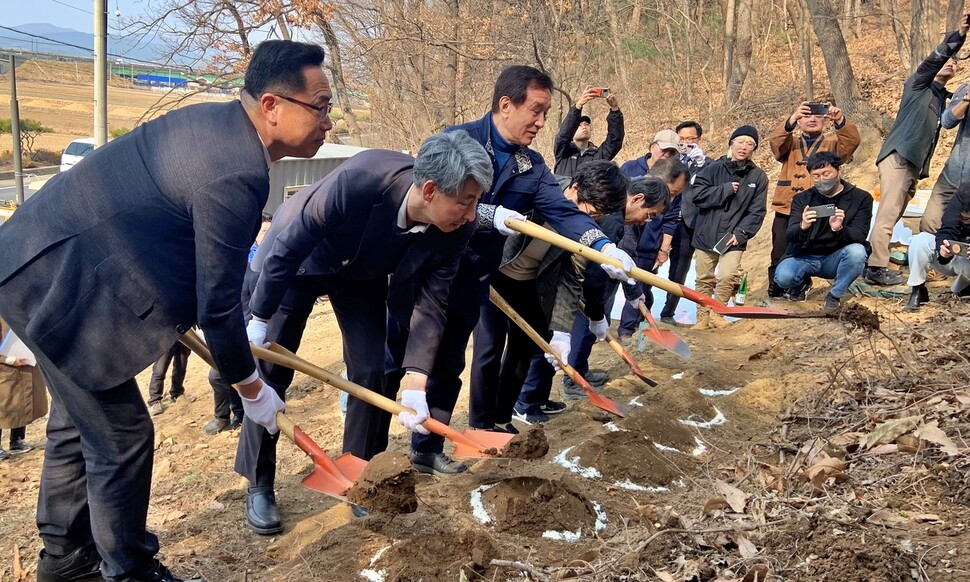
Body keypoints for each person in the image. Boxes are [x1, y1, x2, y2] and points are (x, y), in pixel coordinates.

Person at [0, 40, 330, 582]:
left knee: (73, 423)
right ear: (272, 105)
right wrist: (252, 389)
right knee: (122, 436)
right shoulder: (234, 169)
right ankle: (127, 570)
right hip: (57, 281)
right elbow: (219, 304)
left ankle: (64, 559)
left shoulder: (216, 127)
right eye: (319, 106)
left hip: (46, 265)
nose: (327, 121)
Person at [384, 65, 637, 477]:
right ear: (506, 104)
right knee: (397, 361)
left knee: (450, 362)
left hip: (475, 276)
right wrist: (485, 213)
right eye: (535, 111)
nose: (541, 122)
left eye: (546, 113)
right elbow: (423, 193)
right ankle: (373, 457)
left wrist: (605, 246)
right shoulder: (454, 140)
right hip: (427, 271)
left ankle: (427, 446)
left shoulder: (531, 165)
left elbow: (561, 211)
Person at [239, 131, 491, 534]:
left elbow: (433, 300)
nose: (471, 211)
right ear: (429, 189)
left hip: (360, 273)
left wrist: (416, 378)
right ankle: (259, 483)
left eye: (476, 200)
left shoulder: (460, 225)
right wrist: (258, 318)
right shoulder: (362, 179)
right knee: (271, 375)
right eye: (465, 200)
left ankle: (361, 473)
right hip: (299, 261)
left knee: (372, 371)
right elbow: (290, 242)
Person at [470, 161, 629, 431]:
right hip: (492, 275)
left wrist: (562, 331)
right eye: (587, 211)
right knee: (490, 346)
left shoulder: (583, 230)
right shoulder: (537, 191)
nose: (586, 220)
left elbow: (570, 278)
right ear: (575, 188)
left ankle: (502, 416)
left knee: (525, 347)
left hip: (527, 283)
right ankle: (480, 425)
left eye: (595, 217)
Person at [866, 16, 969, 286]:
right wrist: (957, 36)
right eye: (948, 60)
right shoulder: (918, 85)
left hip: (912, 166)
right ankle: (876, 266)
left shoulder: (941, 97)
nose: (951, 63)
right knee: (888, 213)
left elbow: (948, 120)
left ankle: (878, 258)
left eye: (955, 63)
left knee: (895, 213)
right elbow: (934, 60)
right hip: (898, 157)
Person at [554, 176, 670, 402]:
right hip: (582, 286)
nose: (647, 221)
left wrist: (635, 294)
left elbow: (628, 258)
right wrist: (596, 312)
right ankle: (572, 381)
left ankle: (580, 370)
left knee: (587, 334)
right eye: (649, 215)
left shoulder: (624, 219)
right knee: (580, 332)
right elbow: (596, 274)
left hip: (594, 288)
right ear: (637, 199)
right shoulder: (614, 220)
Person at [767, 99, 860, 297]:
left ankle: (813, 280)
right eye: (806, 115)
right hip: (787, 206)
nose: (812, 120)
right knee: (780, 250)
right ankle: (781, 289)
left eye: (818, 115)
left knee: (815, 247)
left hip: (821, 207)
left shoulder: (832, 143)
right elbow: (775, 142)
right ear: (799, 120)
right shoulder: (790, 143)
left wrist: (840, 121)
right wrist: (790, 120)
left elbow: (852, 142)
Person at [690, 124, 768, 329]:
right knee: (704, 278)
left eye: (750, 144)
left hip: (733, 237)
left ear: (754, 149)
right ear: (731, 144)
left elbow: (757, 211)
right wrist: (723, 190)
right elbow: (697, 196)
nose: (744, 147)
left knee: (727, 275)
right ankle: (702, 317)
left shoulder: (758, 177)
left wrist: (741, 234)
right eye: (740, 142)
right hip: (706, 233)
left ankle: (718, 311)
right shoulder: (713, 168)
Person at [772, 152, 872, 311]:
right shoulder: (802, 199)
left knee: (857, 252)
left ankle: (835, 295)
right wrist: (803, 226)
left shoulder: (861, 198)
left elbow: (860, 235)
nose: (822, 179)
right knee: (783, 277)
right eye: (816, 176)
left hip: (837, 257)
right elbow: (790, 234)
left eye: (826, 174)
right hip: (805, 255)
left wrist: (839, 229)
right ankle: (801, 285)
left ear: (839, 171)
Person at [202, 214, 271, 436]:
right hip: (226, 335)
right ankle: (222, 416)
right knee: (218, 376)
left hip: (248, 337)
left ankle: (240, 415)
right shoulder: (222, 274)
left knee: (234, 375)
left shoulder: (255, 274)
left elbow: (260, 311)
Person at [616, 159, 690, 340]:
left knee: (641, 292)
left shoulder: (663, 204)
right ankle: (605, 327)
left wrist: (663, 248)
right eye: (672, 192)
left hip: (648, 250)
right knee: (618, 290)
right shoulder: (628, 195)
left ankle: (631, 329)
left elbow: (671, 219)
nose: (671, 200)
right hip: (621, 251)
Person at [658, 121, 711, 323]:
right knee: (650, 262)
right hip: (662, 219)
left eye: (692, 139)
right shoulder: (668, 160)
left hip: (688, 223)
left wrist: (699, 163)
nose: (686, 143)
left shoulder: (707, 163)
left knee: (680, 269)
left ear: (699, 140)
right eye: (682, 139)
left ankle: (668, 312)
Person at [904, 183, 970, 311]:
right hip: (956, 254)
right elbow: (947, 228)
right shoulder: (965, 191)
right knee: (920, 240)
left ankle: (963, 288)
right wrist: (942, 247)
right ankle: (918, 290)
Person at [921, 80, 970, 234]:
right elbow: (947, 121)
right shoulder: (965, 89)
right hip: (951, 177)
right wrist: (967, 100)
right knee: (929, 223)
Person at [0, 317, 47, 460]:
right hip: (5, 368)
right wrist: (10, 360)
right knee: (4, 408)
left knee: (23, 404)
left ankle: (17, 440)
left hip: (27, 363)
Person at [553, 86, 624, 176]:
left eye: (586, 124)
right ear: (572, 130)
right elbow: (563, 134)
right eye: (579, 125)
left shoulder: (598, 155)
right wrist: (578, 106)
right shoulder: (563, 152)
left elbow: (615, 140)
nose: (584, 127)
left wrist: (615, 110)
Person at [145, 342, 192, 416]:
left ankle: (177, 393)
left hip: (183, 335)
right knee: (160, 370)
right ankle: (154, 401)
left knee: (181, 366)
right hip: (166, 338)